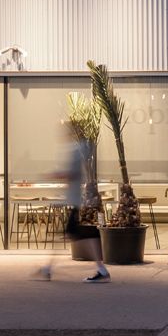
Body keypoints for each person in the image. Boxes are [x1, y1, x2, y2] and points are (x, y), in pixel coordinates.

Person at [34, 119, 109, 283]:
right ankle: (48, 268)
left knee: (84, 235)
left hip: (75, 200)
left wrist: (53, 175)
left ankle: (101, 270)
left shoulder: (75, 150)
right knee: (76, 234)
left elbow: (71, 173)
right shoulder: (80, 149)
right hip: (75, 200)